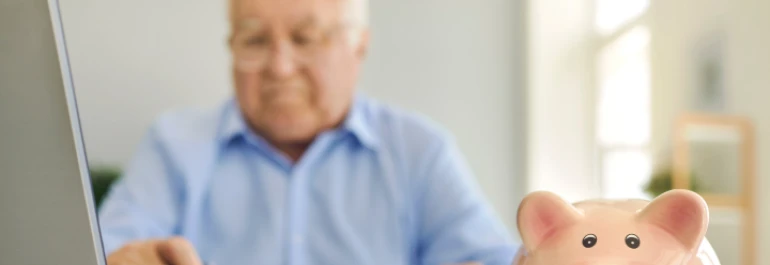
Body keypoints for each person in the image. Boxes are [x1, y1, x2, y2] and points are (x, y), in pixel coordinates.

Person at [98, 0, 519, 264]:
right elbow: (98, 251)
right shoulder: (173, 144)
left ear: (359, 46)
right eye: (254, 39)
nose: (279, 67)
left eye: (305, 38)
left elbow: (492, 258)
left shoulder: (419, 151)